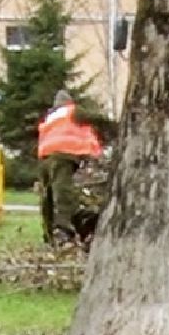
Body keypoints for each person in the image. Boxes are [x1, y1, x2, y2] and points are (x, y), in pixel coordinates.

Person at [37, 89, 103, 244]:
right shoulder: (73, 111)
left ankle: (49, 235)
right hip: (63, 155)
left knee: (48, 197)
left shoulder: (50, 118)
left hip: (45, 158)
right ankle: (66, 231)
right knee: (64, 194)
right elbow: (96, 119)